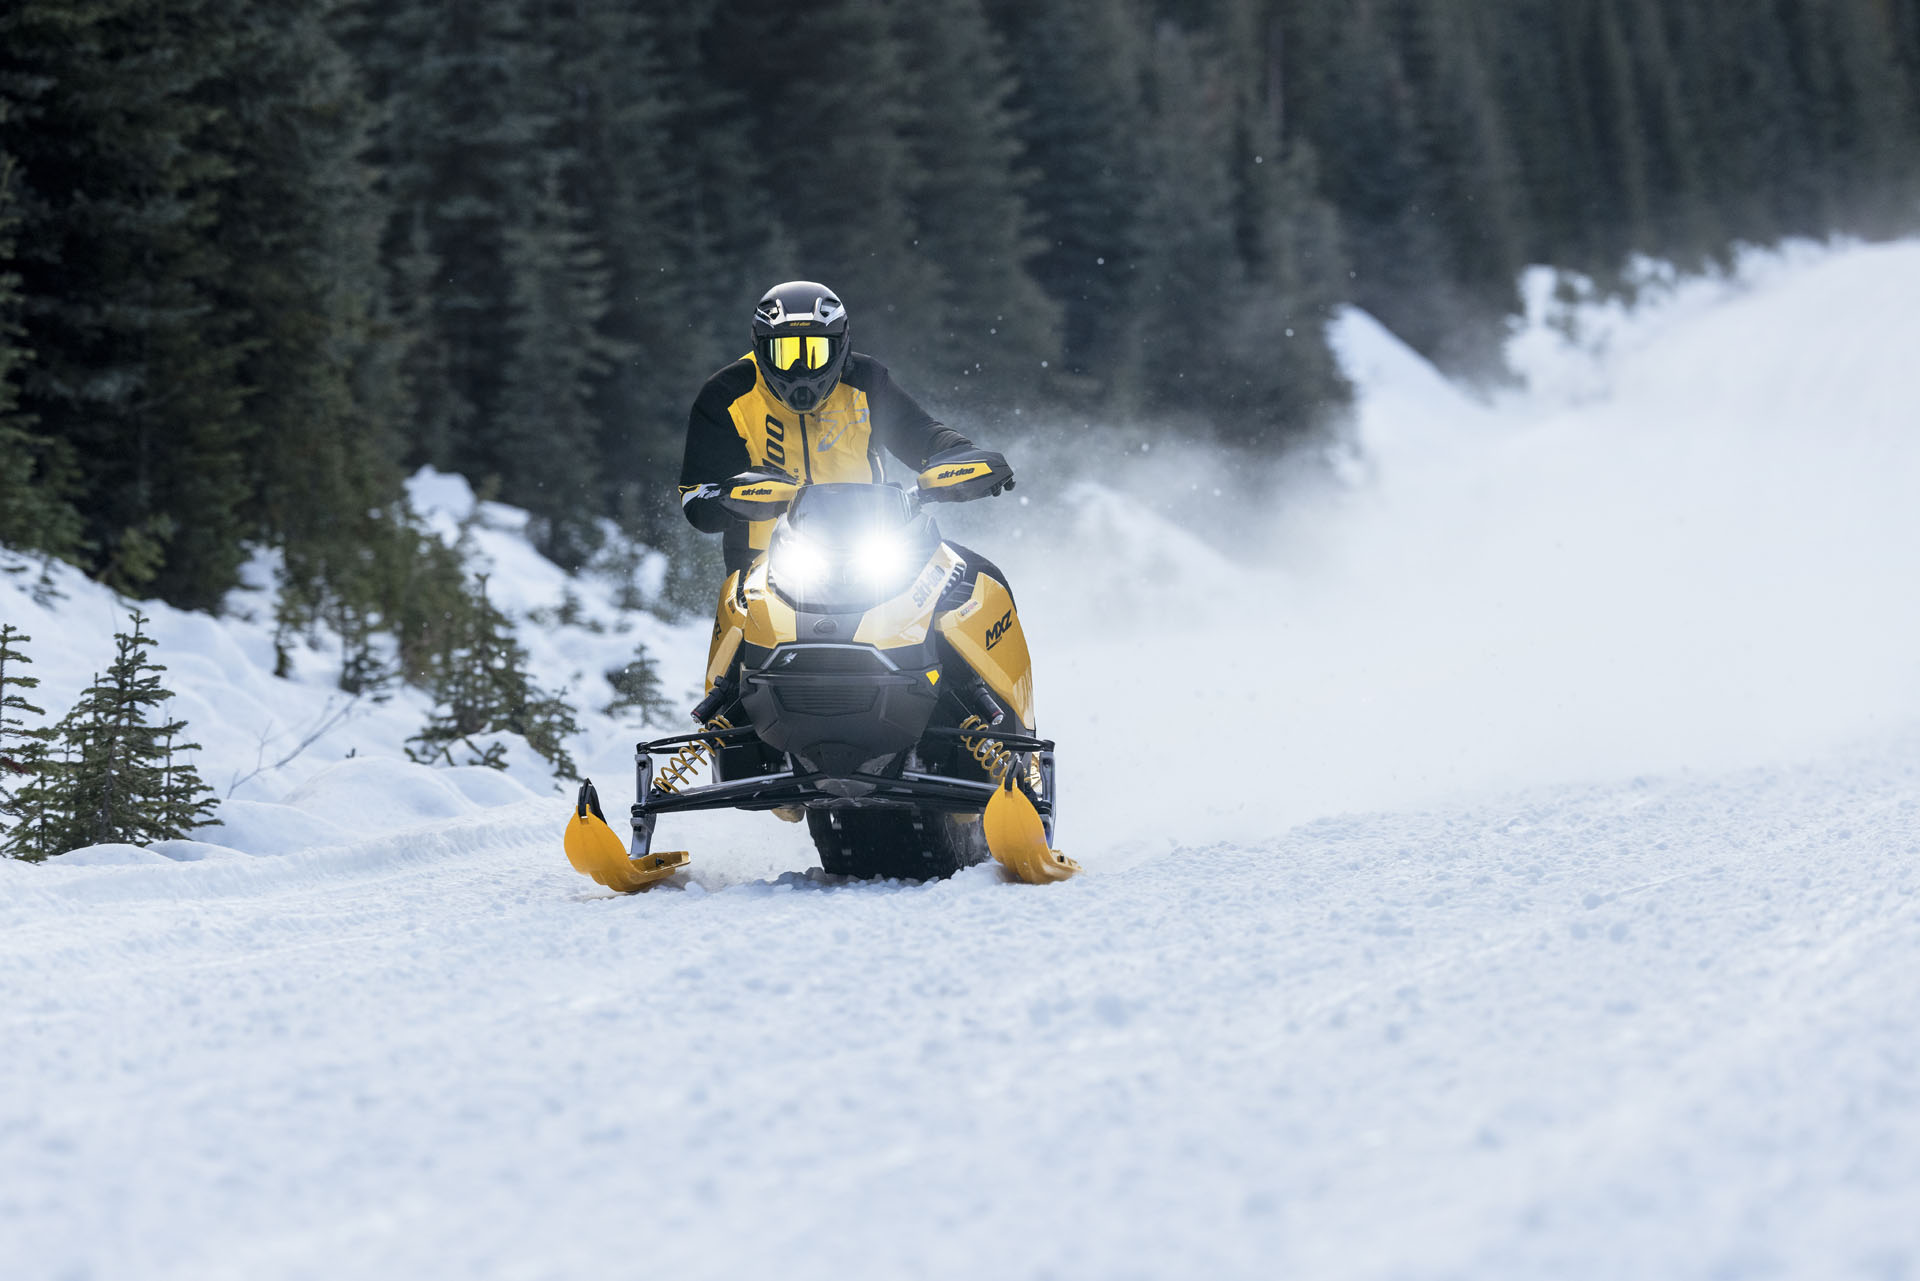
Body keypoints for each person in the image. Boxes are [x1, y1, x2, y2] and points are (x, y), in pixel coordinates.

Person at [677, 280, 1006, 576]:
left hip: (874, 556)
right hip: (765, 567)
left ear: (841, 346)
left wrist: (959, 453)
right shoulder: (725, 394)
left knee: (982, 581)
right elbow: (697, 497)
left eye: (815, 352)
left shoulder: (866, 379)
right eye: (785, 353)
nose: (801, 368)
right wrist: (739, 497)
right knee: (733, 639)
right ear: (760, 348)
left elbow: (917, 431)